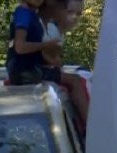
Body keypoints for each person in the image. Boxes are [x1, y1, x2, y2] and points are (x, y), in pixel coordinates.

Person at [7, 0, 89, 135]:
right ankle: (88, 126)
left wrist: (51, 58)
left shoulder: (33, 16)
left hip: (31, 67)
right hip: (26, 71)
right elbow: (20, 47)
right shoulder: (24, 14)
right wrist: (47, 46)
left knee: (74, 79)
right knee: (76, 81)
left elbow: (39, 52)